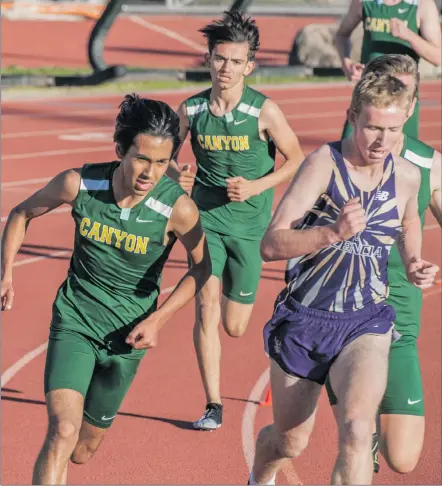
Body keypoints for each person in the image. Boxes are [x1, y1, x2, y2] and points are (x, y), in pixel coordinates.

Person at [0, 95, 212, 485]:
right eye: (142, 159)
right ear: (120, 150)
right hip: (75, 321)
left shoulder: (177, 210)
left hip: (127, 339)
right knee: (62, 431)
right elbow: (21, 213)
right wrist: (6, 273)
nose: (151, 172)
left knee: (82, 450)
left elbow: (202, 268)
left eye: (162, 162)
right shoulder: (79, 184)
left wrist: (159, 320)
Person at [249, 73, 439, 485]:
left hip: (364, 321)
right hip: (305, 320)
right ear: (353, 117)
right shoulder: (323, 164)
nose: (381, 141)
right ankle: (258, 477)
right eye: (372, 126)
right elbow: (271, 243)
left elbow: (409, 222)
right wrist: (330, 233)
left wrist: (413, 263)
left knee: (357, 430)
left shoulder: (407, 176)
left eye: (392, 130)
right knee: (290, 442)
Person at [175, 11, 305, 430]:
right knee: (205, 306)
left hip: (249, 227)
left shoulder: (264, 111)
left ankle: (284, 320)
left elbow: (296, 158)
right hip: (205, 220)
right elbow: (166, 159)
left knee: (235, 327)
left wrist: (257, 186)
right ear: (208, 59)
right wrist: (176, 174)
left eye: (235, 61)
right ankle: (213, 404)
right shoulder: (191, 109)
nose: (226, 68)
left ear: (249, 66)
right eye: (219, 59)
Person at [325, 54, 442, 475]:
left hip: (402, 322)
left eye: (406, 90)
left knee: (405, 460)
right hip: (346, 317)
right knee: (354, 442)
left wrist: (420, 265)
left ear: (410, 104)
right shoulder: (337, 159)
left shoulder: (429, 164)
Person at [335, 0, 441, 139]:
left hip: (403, 97)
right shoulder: (364, 2)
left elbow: (438, 57)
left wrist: (408, 35)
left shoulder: (421, 5)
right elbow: (341, 34)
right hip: (368, 93)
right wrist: (346, 62)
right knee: (348, 154)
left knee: (402, 157)